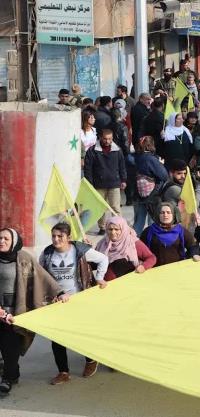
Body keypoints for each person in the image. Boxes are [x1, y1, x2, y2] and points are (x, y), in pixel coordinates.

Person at [0, 228, 69, 394]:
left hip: (17, 311)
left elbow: (42, 275)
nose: (1, 241)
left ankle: (8, 378)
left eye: (6, 239)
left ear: (14, 242)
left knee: (11, 348)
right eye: (0, 238)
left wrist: (59, 292)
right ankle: (12, 372)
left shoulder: (23, 258)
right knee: (4, 347)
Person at [39, 223, 109, 385]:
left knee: (82, 333)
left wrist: (99, 277)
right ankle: (63, 372)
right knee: (56, 338)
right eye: (53, 236)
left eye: (60, 236)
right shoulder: (48, 253)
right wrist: (53, 294)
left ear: (68, 238)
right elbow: (41, 274)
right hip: (57, 302)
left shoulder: (80, 250)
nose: (56, 240)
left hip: (79, 300)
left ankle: (91, 360)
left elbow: (103, 259)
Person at [84, 129, 127, 233]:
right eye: (105, 139)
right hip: (98, 184)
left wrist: (123, 179)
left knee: (116, 207)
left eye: (110, 139)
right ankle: (102, 227)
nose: (107, 141)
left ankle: (118, 226)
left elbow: (122, 166)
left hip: (114, 183)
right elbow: (88, 168)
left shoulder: (117, 150)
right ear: (100, 138)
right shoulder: (92, 150)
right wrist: (89, 183)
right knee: (100, 208)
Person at [140, 203, 200, 267]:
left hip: (176, 269)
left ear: (173, 215)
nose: (165, 215)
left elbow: (193, 245)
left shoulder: (181, 231)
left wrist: (194, 254)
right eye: (162, 212)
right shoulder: (148, 231)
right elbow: (140, 249)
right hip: (155, 270)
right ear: (158, 215)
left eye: (168, 212)